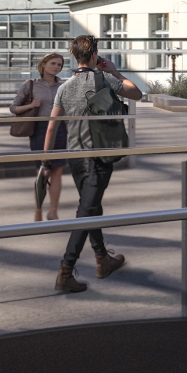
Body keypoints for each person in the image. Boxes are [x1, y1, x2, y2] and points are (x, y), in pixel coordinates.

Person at [49, 34, 141, 293]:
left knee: (90, 206)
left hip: (75, 156)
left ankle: (102, 259)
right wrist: (113, 69)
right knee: (85, 210)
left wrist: (47, 158)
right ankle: (66, 270)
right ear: (93, 56)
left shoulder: (64, 86)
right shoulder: (106, 79)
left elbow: (52, 124)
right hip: (99, 155)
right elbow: (137, 93)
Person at [11, 51, 68, 223]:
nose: (56, 67)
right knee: (43, 171)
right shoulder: (31, 85)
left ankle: (53, 211)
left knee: (57, 171)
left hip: (60, 129)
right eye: (53, 63)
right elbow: (14, 108)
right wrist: (31, 105)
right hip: (40, 129)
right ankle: (38, 209)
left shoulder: (63, 86)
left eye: (59, 65)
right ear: (43, 64)